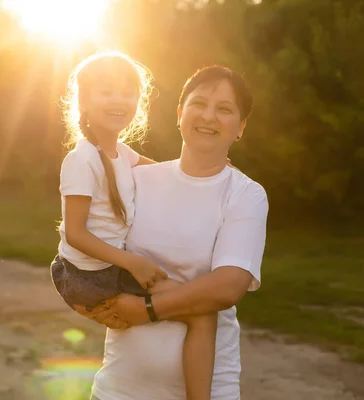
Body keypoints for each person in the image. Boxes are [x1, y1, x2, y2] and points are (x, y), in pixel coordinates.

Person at [73, 65, 269, 400]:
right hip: (119, 389)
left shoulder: (245, 194)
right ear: (179, 114)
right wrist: (92, 303)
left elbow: (227, 286)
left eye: (224, 109)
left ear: (241, 127)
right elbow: (86, 242)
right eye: (199, 104)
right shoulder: (136, 181)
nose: (208, 116)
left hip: (212, 390)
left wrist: (146, 309)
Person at [50, 51, 219, 400]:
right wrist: (134, 263)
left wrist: (209, 162)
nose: (119, 100)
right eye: (107, 91)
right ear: (84, 102)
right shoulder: (80, 160)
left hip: (104, 269)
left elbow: (168, 174)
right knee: (201, 311)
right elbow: (76, 233)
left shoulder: (122, 154)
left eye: (129, 92)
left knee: (194, 301)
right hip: (91, 276)